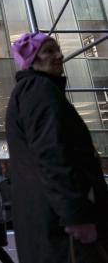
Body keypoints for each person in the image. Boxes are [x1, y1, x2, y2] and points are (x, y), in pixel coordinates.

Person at [7, 33, 108, 263]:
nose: (59, 55)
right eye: (49, 51)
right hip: (64, 227)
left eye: (57, 49)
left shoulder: (29, 92)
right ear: (32, 60)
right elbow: (52, 154)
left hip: (52, 220)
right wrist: (76, 216)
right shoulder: (39, 90)